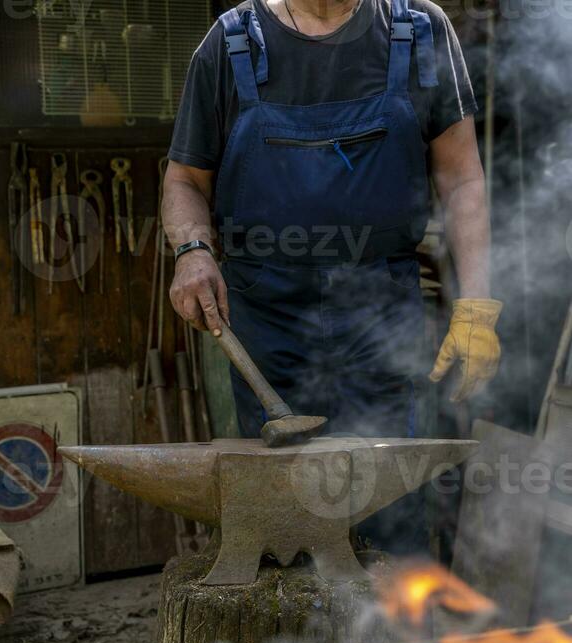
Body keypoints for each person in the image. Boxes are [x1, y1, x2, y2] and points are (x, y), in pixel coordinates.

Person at [163, 0, 503, 550]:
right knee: (281, 516)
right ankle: (288, 636)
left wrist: (477, 305)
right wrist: (193, 249)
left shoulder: (419, 32)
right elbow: (184, 181)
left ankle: (392, 631)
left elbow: (463, 179)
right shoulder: (230, 44)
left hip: (383, 314)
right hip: (266, 320)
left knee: (392, 512)